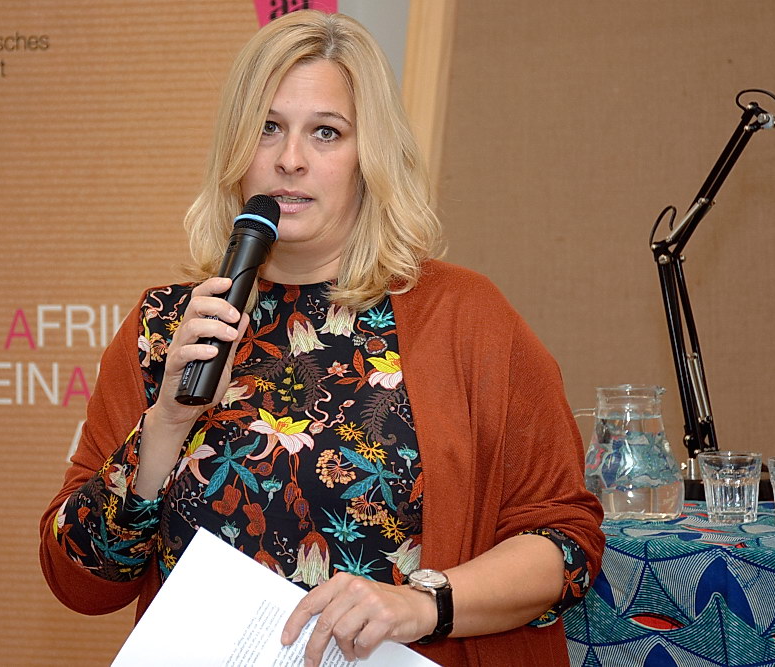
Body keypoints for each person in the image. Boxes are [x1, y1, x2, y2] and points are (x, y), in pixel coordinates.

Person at [39, 10, 604, 666]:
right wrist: (165, 423)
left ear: (370, 157)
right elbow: (81, 582)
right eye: (267, 127)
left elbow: (565, 540)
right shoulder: (167, 324)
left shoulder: (465, 317)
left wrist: (423, 603)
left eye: (326, 132)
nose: (290, 159)